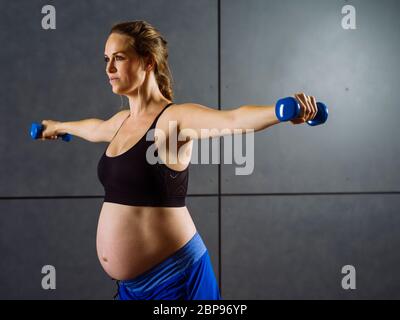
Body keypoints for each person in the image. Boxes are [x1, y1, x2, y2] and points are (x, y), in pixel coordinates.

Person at [39, 20, 318, 300]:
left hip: (174, 282)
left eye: (119, 58)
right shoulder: (122, 121)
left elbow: (233, 119)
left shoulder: (173, 119)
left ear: (148, 62)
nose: (109, 68)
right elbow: (94, 128)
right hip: (131, 290)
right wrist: (59, 127)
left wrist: (281, 112)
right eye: (106, 59)